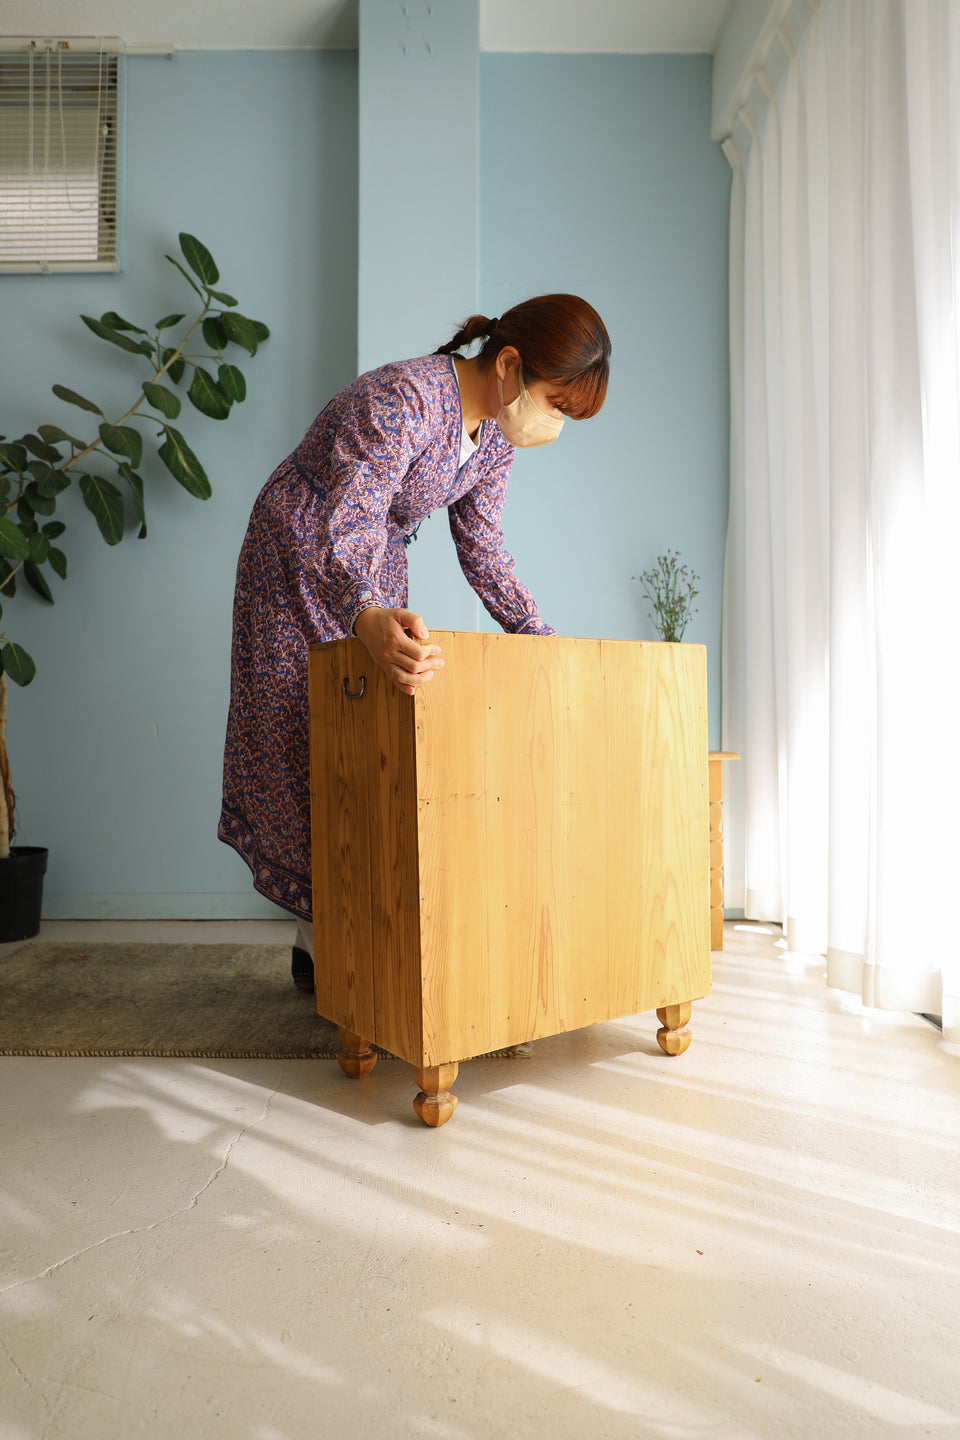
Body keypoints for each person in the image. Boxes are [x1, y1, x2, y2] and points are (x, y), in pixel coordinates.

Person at [218, 293, 611, 991]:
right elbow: (354, 510)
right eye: (556, 402)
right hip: (299, 552)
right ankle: (319, 942)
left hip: (369, 569)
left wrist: (536, 633)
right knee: (301, 732)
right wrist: (366, 607)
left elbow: (483, 546)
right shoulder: (405, 398)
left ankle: (351, 931)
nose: (553, 422)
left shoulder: (490, 438)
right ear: (510, 364)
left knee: (368, 740)